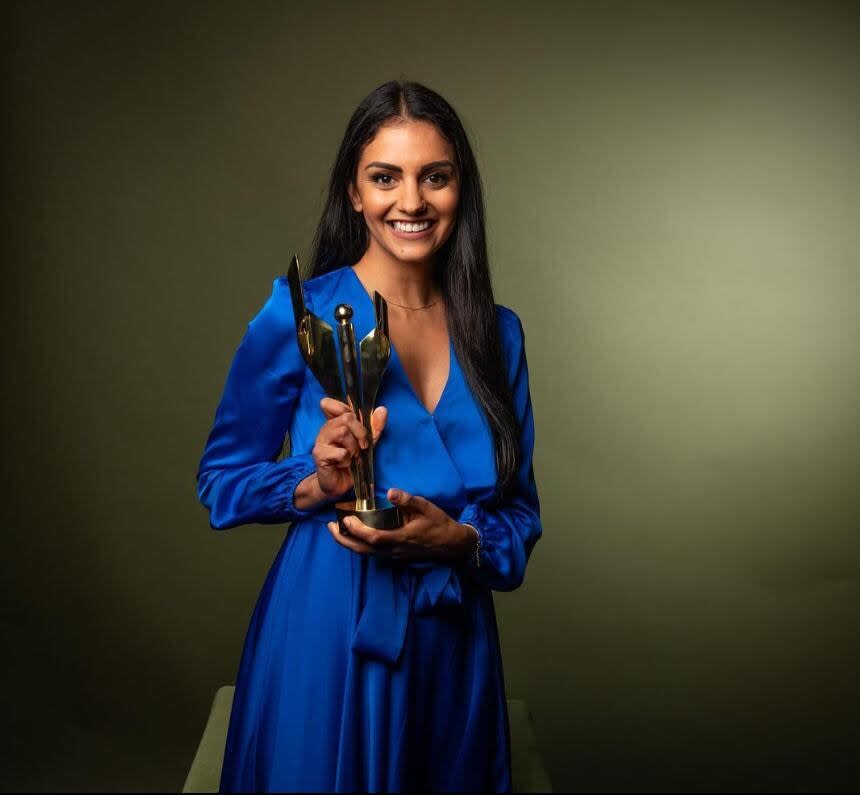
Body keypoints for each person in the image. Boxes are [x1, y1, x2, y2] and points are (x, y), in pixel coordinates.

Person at [196, 79, 542, 793]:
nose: (410, 202)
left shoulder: (496, 334)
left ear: (460, 189)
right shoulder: (300, 315)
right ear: (354, 192)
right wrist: (315, 480)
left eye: (434, 177)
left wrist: (459, 539)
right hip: (329, 627)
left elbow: (519, 514)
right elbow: (220, 480)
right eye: (385, 177)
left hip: (453, 646)